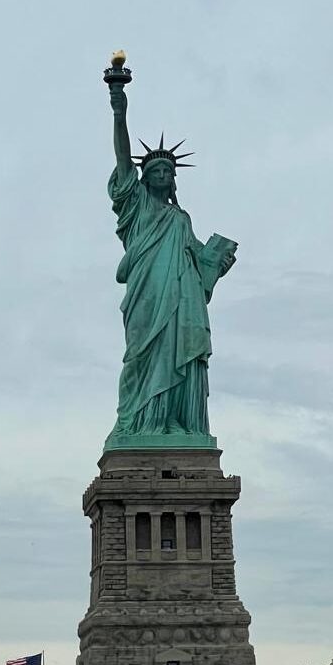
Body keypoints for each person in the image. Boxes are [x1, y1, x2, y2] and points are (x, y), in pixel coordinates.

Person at [104, 85, 236, 449]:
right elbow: (121, 160)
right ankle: (139, 422)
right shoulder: (138, 207)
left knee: (178, 353)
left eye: (167, 169)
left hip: (182, 299)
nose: (162, 173)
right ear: (143, 178)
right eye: (155, 169)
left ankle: (174, 421)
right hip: (148, 293)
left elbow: (197, 263)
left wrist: (217, 263)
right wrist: (119, 111)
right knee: (141, 357)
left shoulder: (181, 219)